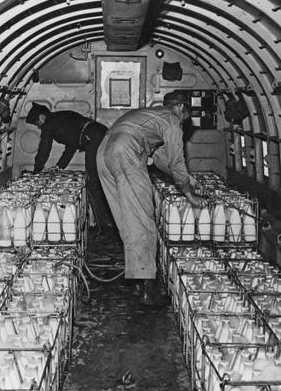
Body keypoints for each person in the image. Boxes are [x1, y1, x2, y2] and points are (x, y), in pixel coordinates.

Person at [96, 90, 206, 306]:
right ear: (181, 108)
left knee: (127, 221)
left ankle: (137, 282)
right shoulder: (172, 121)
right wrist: (189, 194)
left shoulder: (148, 115)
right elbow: (175, 161)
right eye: (186, 116)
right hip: (126, 152)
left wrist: (189, 179)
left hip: (103, 153)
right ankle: (148, 290)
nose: (185, 121)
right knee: (142, 220)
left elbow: (158, 158)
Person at [25, 102, 112, 229]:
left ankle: (105, 226)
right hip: (100, 132)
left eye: (37, 124)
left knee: (92, 183)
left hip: (93, 138)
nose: (39, 127)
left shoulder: (48, 125)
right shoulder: (61, 117)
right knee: (102, 179)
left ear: (42, 117)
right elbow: (71, 146)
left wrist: (36, 171)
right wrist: (59, 166)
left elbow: (44, 149)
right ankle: (108, 222)